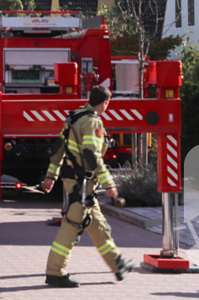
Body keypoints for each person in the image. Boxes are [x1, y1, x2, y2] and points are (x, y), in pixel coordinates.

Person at [41, 85, 136, 288]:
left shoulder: (73, 117)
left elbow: (58, 148)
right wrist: (109, 184)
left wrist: (51, 175)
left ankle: (118, 266)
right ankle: (55, 272)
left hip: (77, 184)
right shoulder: (93, 122)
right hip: (82, 185)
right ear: (105, 103)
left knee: (98, 227)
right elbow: (92, 156)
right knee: (71, 226)